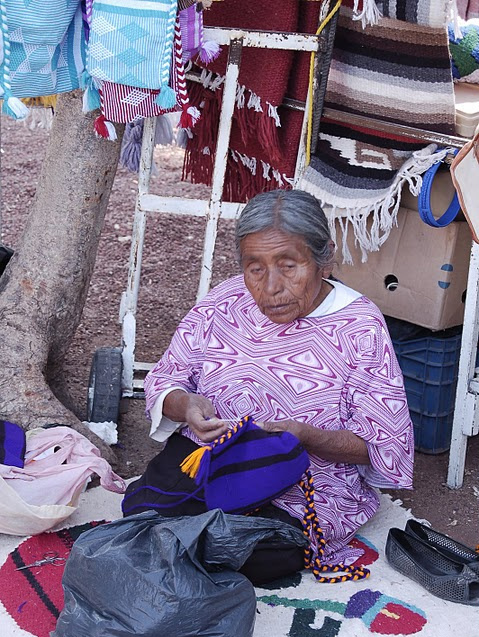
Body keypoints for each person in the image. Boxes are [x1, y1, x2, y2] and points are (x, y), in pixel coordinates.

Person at [124, 189, 414, 582]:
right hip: (215, 459)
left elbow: (379, 446)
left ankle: (186, 546)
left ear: (324, 259)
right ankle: (183, 541)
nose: (270, 286)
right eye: (255, 268)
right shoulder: (226, 300)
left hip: (309, 483)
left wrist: (306, 435)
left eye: (289, 265)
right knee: (141, 510)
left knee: (261, 553)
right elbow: (167, 380)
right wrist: (187, 405)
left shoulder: (359, 326)